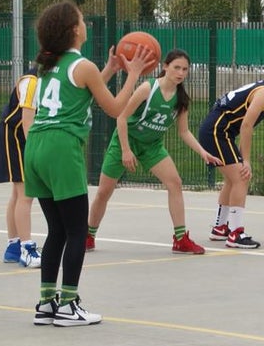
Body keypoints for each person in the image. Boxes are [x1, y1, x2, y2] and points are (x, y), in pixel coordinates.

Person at [24, 1, 152, 327]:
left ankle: (47, 303)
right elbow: (113, 108)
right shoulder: (82, 65)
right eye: (82, 20)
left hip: (36, 146)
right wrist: (133, 75)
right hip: (61, 147)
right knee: (78, 230)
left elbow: (82, 92)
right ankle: (68, 305)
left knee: (57, 230)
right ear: (75, 30)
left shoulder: (49, 66)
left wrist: (110, 70)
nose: (86, 24)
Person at [86, 48, 222, 255]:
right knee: (104, 192)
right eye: (177, 67)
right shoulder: (148, 89)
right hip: (126, 140)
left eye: (185, 69)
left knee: (174, 183)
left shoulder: (181, 98)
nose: (181, 73)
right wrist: (125, 150)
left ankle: (180, 239)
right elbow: (121, 118)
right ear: (165, 67)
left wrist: (202, 152)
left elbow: (184, 132)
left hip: (152, 146)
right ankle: (89, 235)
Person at [198, 60, 264, 249]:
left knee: (232, 179)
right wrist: (246, 161)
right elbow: (246, 125)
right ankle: (235, 234)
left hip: (219, 131)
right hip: (217, 131)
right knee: (242, 178)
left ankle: (220, 228)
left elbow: (243, 125)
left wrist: (241, 158)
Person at [0, 67, 41, 268]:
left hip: (17, 137)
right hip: (13, 137)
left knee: (17, 193)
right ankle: (26, 249)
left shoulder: (44, 82)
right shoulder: (31, 82)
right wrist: (35, 152)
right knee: (25, 194)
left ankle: (13, 247)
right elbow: (27, 121)